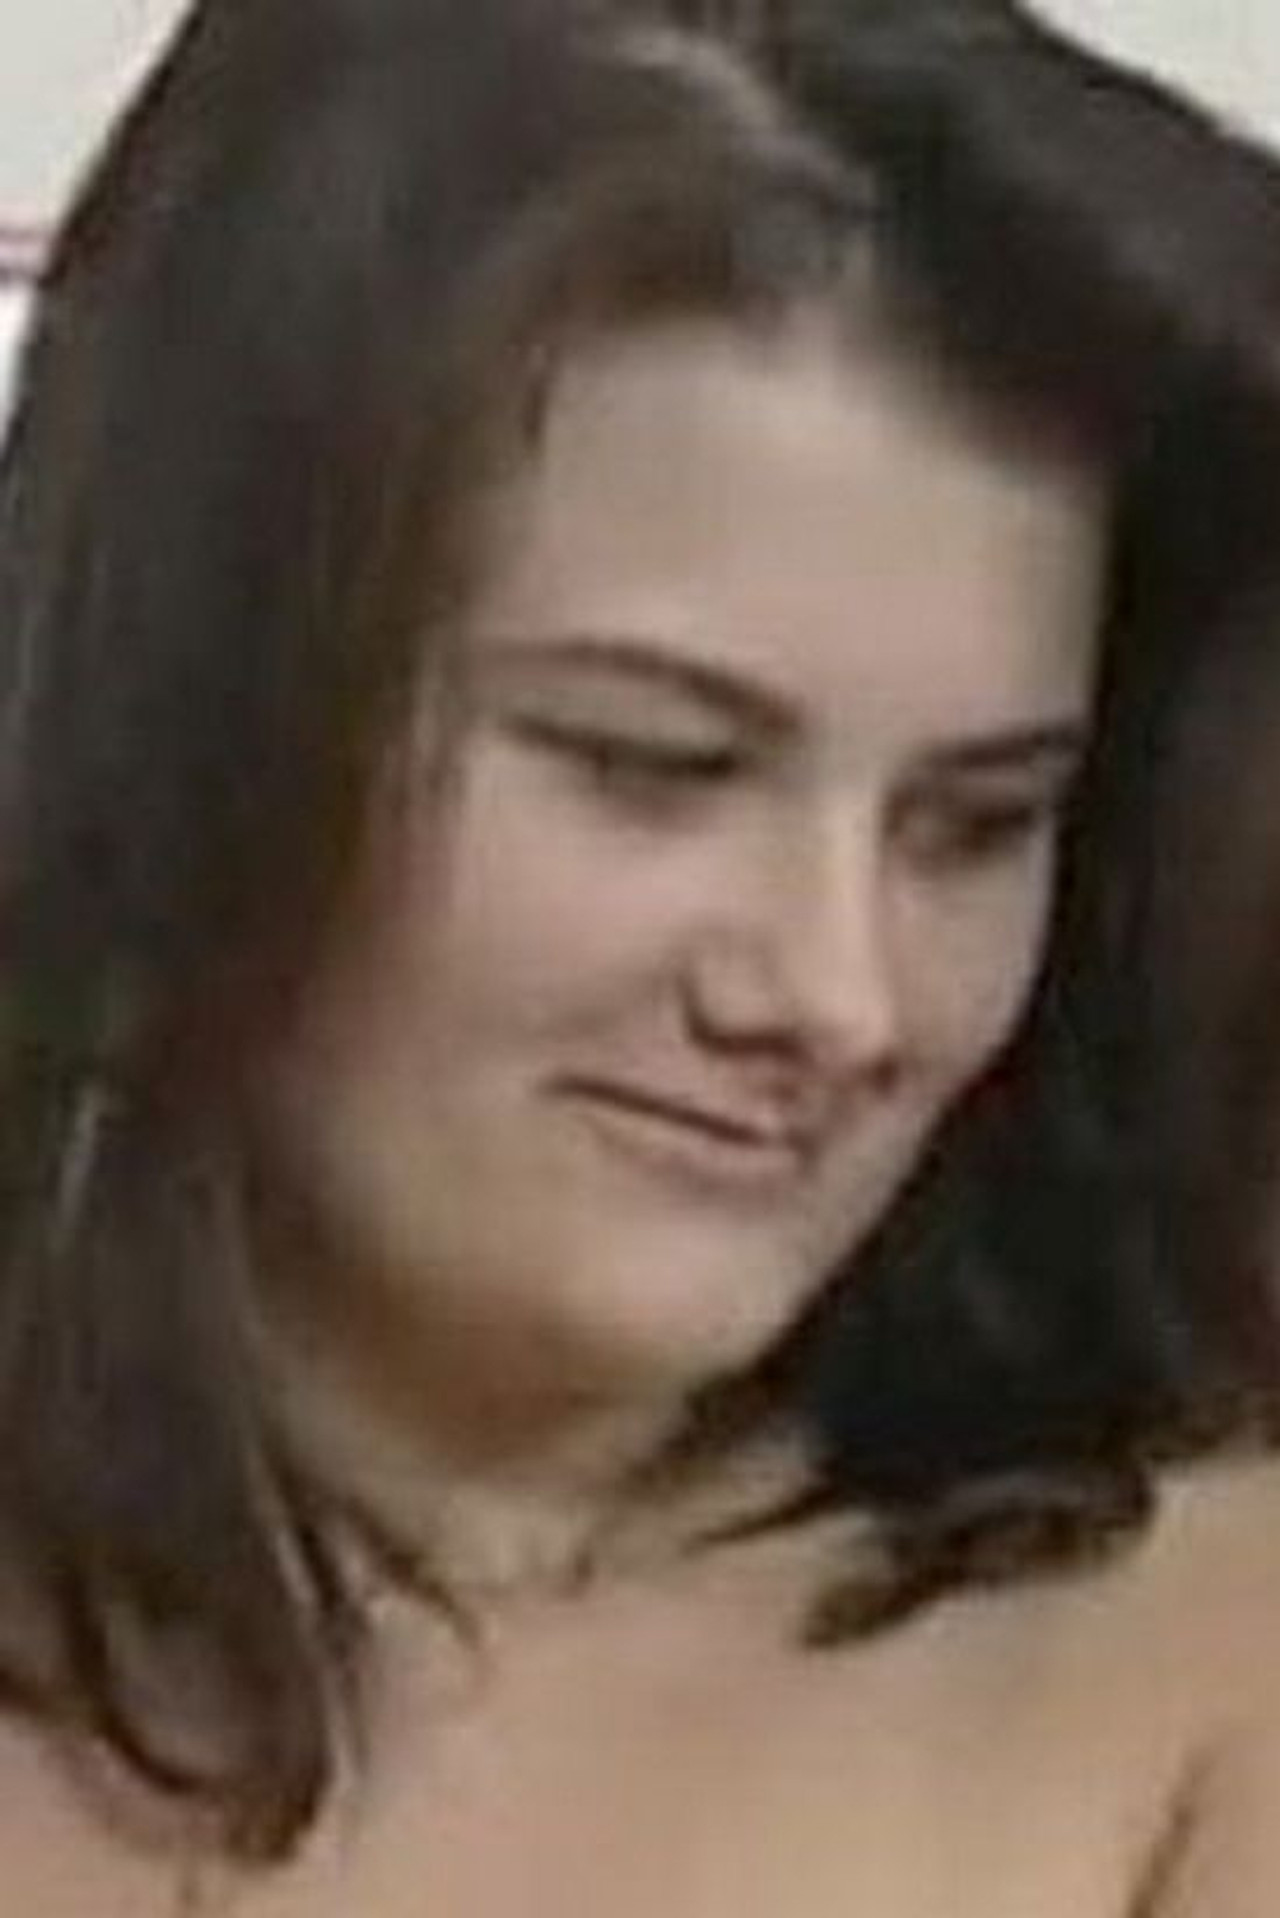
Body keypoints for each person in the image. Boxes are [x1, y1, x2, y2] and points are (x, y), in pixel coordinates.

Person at [3, 0, 1280, 1909]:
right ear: (192, 699)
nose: (839, 997)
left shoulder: (1210, 1664)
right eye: (651, 767)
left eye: (974, 825)